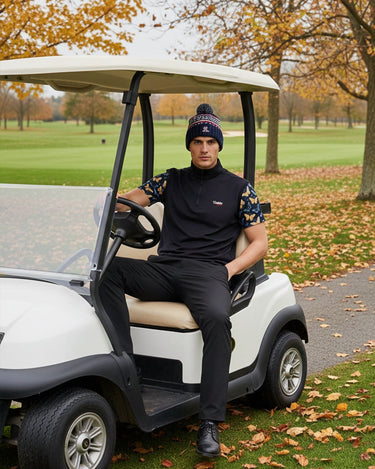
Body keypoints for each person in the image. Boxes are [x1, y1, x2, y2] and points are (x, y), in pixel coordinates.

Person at [99, 103, 268, 458]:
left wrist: (229, 269)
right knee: (105, 274)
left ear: (219, 145)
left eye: (210, 141)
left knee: (219, 320)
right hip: (165, 269)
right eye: (198, 141)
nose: (204, 148)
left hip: (209, 272)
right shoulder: (170, 180)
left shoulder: (239, 188)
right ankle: (126, 366)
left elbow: (260, 242)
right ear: (189, 145)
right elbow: (131, 202)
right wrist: (107, 202)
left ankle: (209, 423)